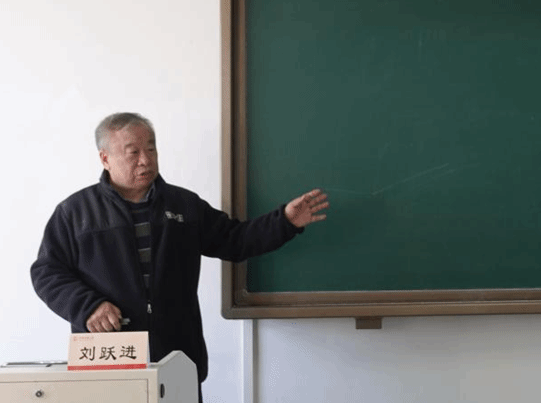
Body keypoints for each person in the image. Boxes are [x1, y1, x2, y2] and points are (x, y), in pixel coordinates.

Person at [31, 112, 328, 400]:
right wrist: (87, 306)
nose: (145, 160)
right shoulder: (75, 212)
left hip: (176, 357)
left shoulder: (183, 205)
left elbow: (235, 241)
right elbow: (47, 272)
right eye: (133, 152)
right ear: (105, 158)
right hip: (108, 359)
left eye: (151, 149)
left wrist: (285, 222)